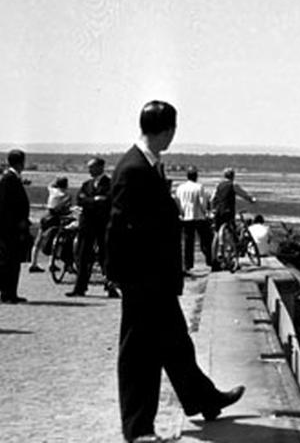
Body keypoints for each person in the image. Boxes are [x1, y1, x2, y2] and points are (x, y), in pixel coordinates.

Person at [105, 101, 244, 443]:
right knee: (139, 353)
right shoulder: (134, 167)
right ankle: (138, 430)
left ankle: (204, 400)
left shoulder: (148, 164)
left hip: (154, 276)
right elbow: (117, 225)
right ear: (167, 130)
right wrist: (118, 274)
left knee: (175, 342)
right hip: (142, 277)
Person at [0, 149, 33, 304]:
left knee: (13, 259)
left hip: (11, 225)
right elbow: (6, 205)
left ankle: (9, 293)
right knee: (7, 257)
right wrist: (18, 222)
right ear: (21, 163)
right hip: (7, 226)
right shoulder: (9, 179)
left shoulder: (13, 178)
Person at [67, 157, 116, 298]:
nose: (89, 170)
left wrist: (91, 202)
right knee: (83, 255)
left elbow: (108, 201)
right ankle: (80, 287)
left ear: (100, 167)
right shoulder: (86, 184)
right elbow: (80, 200)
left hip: (102, 224)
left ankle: (110, 286)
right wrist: (95, 200)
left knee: (105, 256)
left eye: (92, 167)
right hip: (87, 225)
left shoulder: (109, 184)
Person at [29, 176, 73, 273]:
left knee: (39, 240)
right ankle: (52, 263)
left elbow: (50, 185)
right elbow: (66, 208)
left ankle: (33, 263)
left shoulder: (53, 190)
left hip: (46, 215)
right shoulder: (66, 195)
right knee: (55, 240)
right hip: (56, 218)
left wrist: (55, 181)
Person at [175, 166, 214, 274]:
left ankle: (188, 264)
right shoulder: (199, 187)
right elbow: (202, 203)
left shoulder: (180, 188)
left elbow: (177, 202)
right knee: (206, 240)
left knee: (188, 243)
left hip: (185, 217)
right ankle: (210, 261)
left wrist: (181, 213)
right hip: (198, 217)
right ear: (196, 176)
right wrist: (206, 213)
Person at [211, 167, 255, 232]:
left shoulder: (218, 185)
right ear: (233, 176)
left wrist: (212, 208)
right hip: (228, 211)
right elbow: (243, 194)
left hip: (218, 211)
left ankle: (215, 240)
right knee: (232, 229)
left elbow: (212, 198)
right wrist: (251, 199)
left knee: (216, 230)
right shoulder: (233, 185)